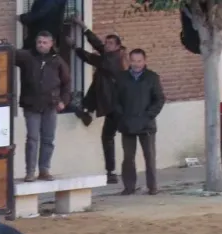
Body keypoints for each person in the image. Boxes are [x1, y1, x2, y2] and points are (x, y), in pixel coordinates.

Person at [66, 16, 128, 184]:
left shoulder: (113, 60)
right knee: (108, 136)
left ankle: (112, 171)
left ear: (116, 46)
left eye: (109, 44)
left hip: (115, 106)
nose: (106, 46)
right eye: (106, 43)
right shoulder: (112, 54)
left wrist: (73, 46)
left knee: (108, 137)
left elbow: (90, 58)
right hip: (109, 101)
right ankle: (87, 110)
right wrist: (83, 27)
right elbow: (97, 45)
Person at [15, 31, 71, 182]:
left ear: (51, 43)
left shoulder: (57, 61)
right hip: (31, 105)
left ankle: (44, 170)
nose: (41, 45)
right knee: (32, 139)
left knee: (48, 139)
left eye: (45, 42)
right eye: (39, 42)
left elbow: (66, 83)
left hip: (50, 106)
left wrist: (63, 101)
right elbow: (9, 55)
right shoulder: (27, 57)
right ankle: (30, 172)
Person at [113, 48, 165, 196]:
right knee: (128, 158)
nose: (136, 64)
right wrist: (121, 116)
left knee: (149, 156)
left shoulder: (152, 77)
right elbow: (115, 100)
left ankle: (152, 186)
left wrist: (149, 115)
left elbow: (159, 99)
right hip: (127, 124)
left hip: (146, 124)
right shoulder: (121, 78)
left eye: (139, 61)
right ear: (129, 61)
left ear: (145, 61)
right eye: (133, 61)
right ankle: (129, 187)